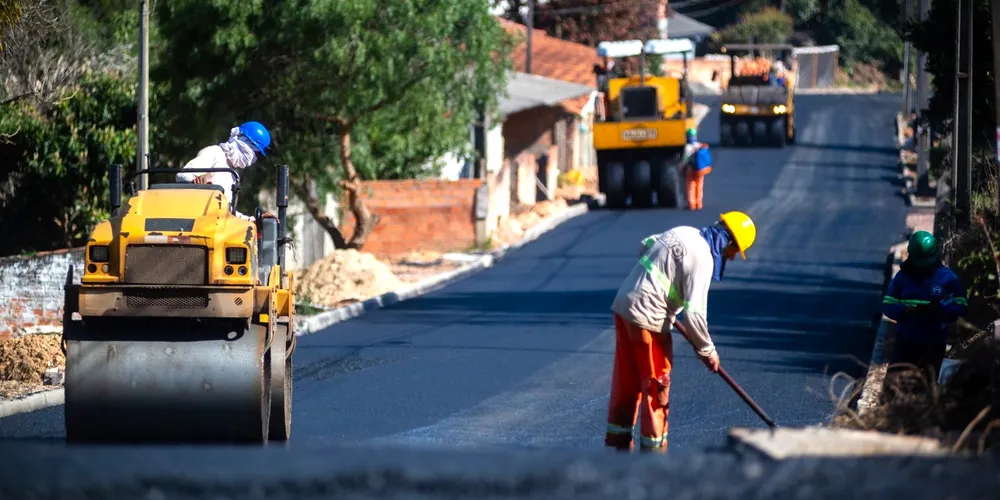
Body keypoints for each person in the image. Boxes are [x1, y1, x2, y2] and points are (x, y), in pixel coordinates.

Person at [605, 211, 757, 453]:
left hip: (624, 305)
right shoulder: (704, 260)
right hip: (648, 318)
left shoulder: (685, 231)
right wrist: (708, 351)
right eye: (735, 252)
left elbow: (646, 245)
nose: (733, 258)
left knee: (628, 379)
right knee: (656, 386)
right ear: (729, 242)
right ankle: (653, 455)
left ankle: (618, 445)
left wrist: (660, 287)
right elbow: (695, 313)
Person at [882, 230, 968, 379]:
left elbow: (961, 305)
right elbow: (888, 304)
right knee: (896, 384)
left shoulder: (947, 278)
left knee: (929, 385)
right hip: (906, 342)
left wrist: (941, 310)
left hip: (934, 343)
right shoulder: (902, 277)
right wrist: (905, 310)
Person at [176, 121, 273, 222]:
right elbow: (182, 176)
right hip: (195, 222)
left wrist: (253, 220)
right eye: (255, 153)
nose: (253, 159)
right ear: (243, 141)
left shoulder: (233, 175)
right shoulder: (215, 153)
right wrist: (197, 182)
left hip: (216, 227)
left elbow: (227, 211)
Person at [681, 128, 712, 211]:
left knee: (691, 186)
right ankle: (699, 203)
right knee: (699, 186)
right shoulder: (699, 145)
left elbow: (685, 158)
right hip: (700, 170)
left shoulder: (688, 147)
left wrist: (681, 166)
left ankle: (692, 204)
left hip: (690, 169)